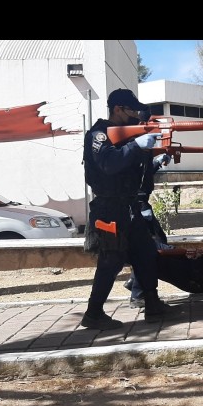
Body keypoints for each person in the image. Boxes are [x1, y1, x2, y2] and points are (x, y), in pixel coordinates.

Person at [80, 88, 176, 329]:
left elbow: (134, 169)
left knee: (145, 253)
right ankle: (93, 313)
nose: (135, 115)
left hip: (129, 206)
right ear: (117, 109)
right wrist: (136, 146)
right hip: (109, 207)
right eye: (131, 110)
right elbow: (109, 164)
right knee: (111, 259)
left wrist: (154, 155)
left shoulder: (128, 136)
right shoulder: (99, 135)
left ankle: (152, 303)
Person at [125, 151, 173, 308]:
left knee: (157, 243)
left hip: (140, 202)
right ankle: (138, 293)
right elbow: (137, 174)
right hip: (136, 204)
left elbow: (144, 172)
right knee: (149, 248)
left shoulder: (138, 153)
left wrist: (157, 162)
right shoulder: (131, 151)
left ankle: (135, 284)